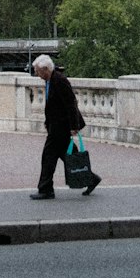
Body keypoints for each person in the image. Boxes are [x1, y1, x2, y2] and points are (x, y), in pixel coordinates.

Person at [29, 53, 101, 199]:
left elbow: (71, 104)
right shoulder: (50, 81)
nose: (36, 74)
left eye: (37, 71)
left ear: (45, 69)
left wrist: (74, 126)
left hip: (61, 127)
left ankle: (46, 189)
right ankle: (91, 178)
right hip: (56, 127)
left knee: (48, 157)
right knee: (69, 157)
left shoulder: (60, 81)